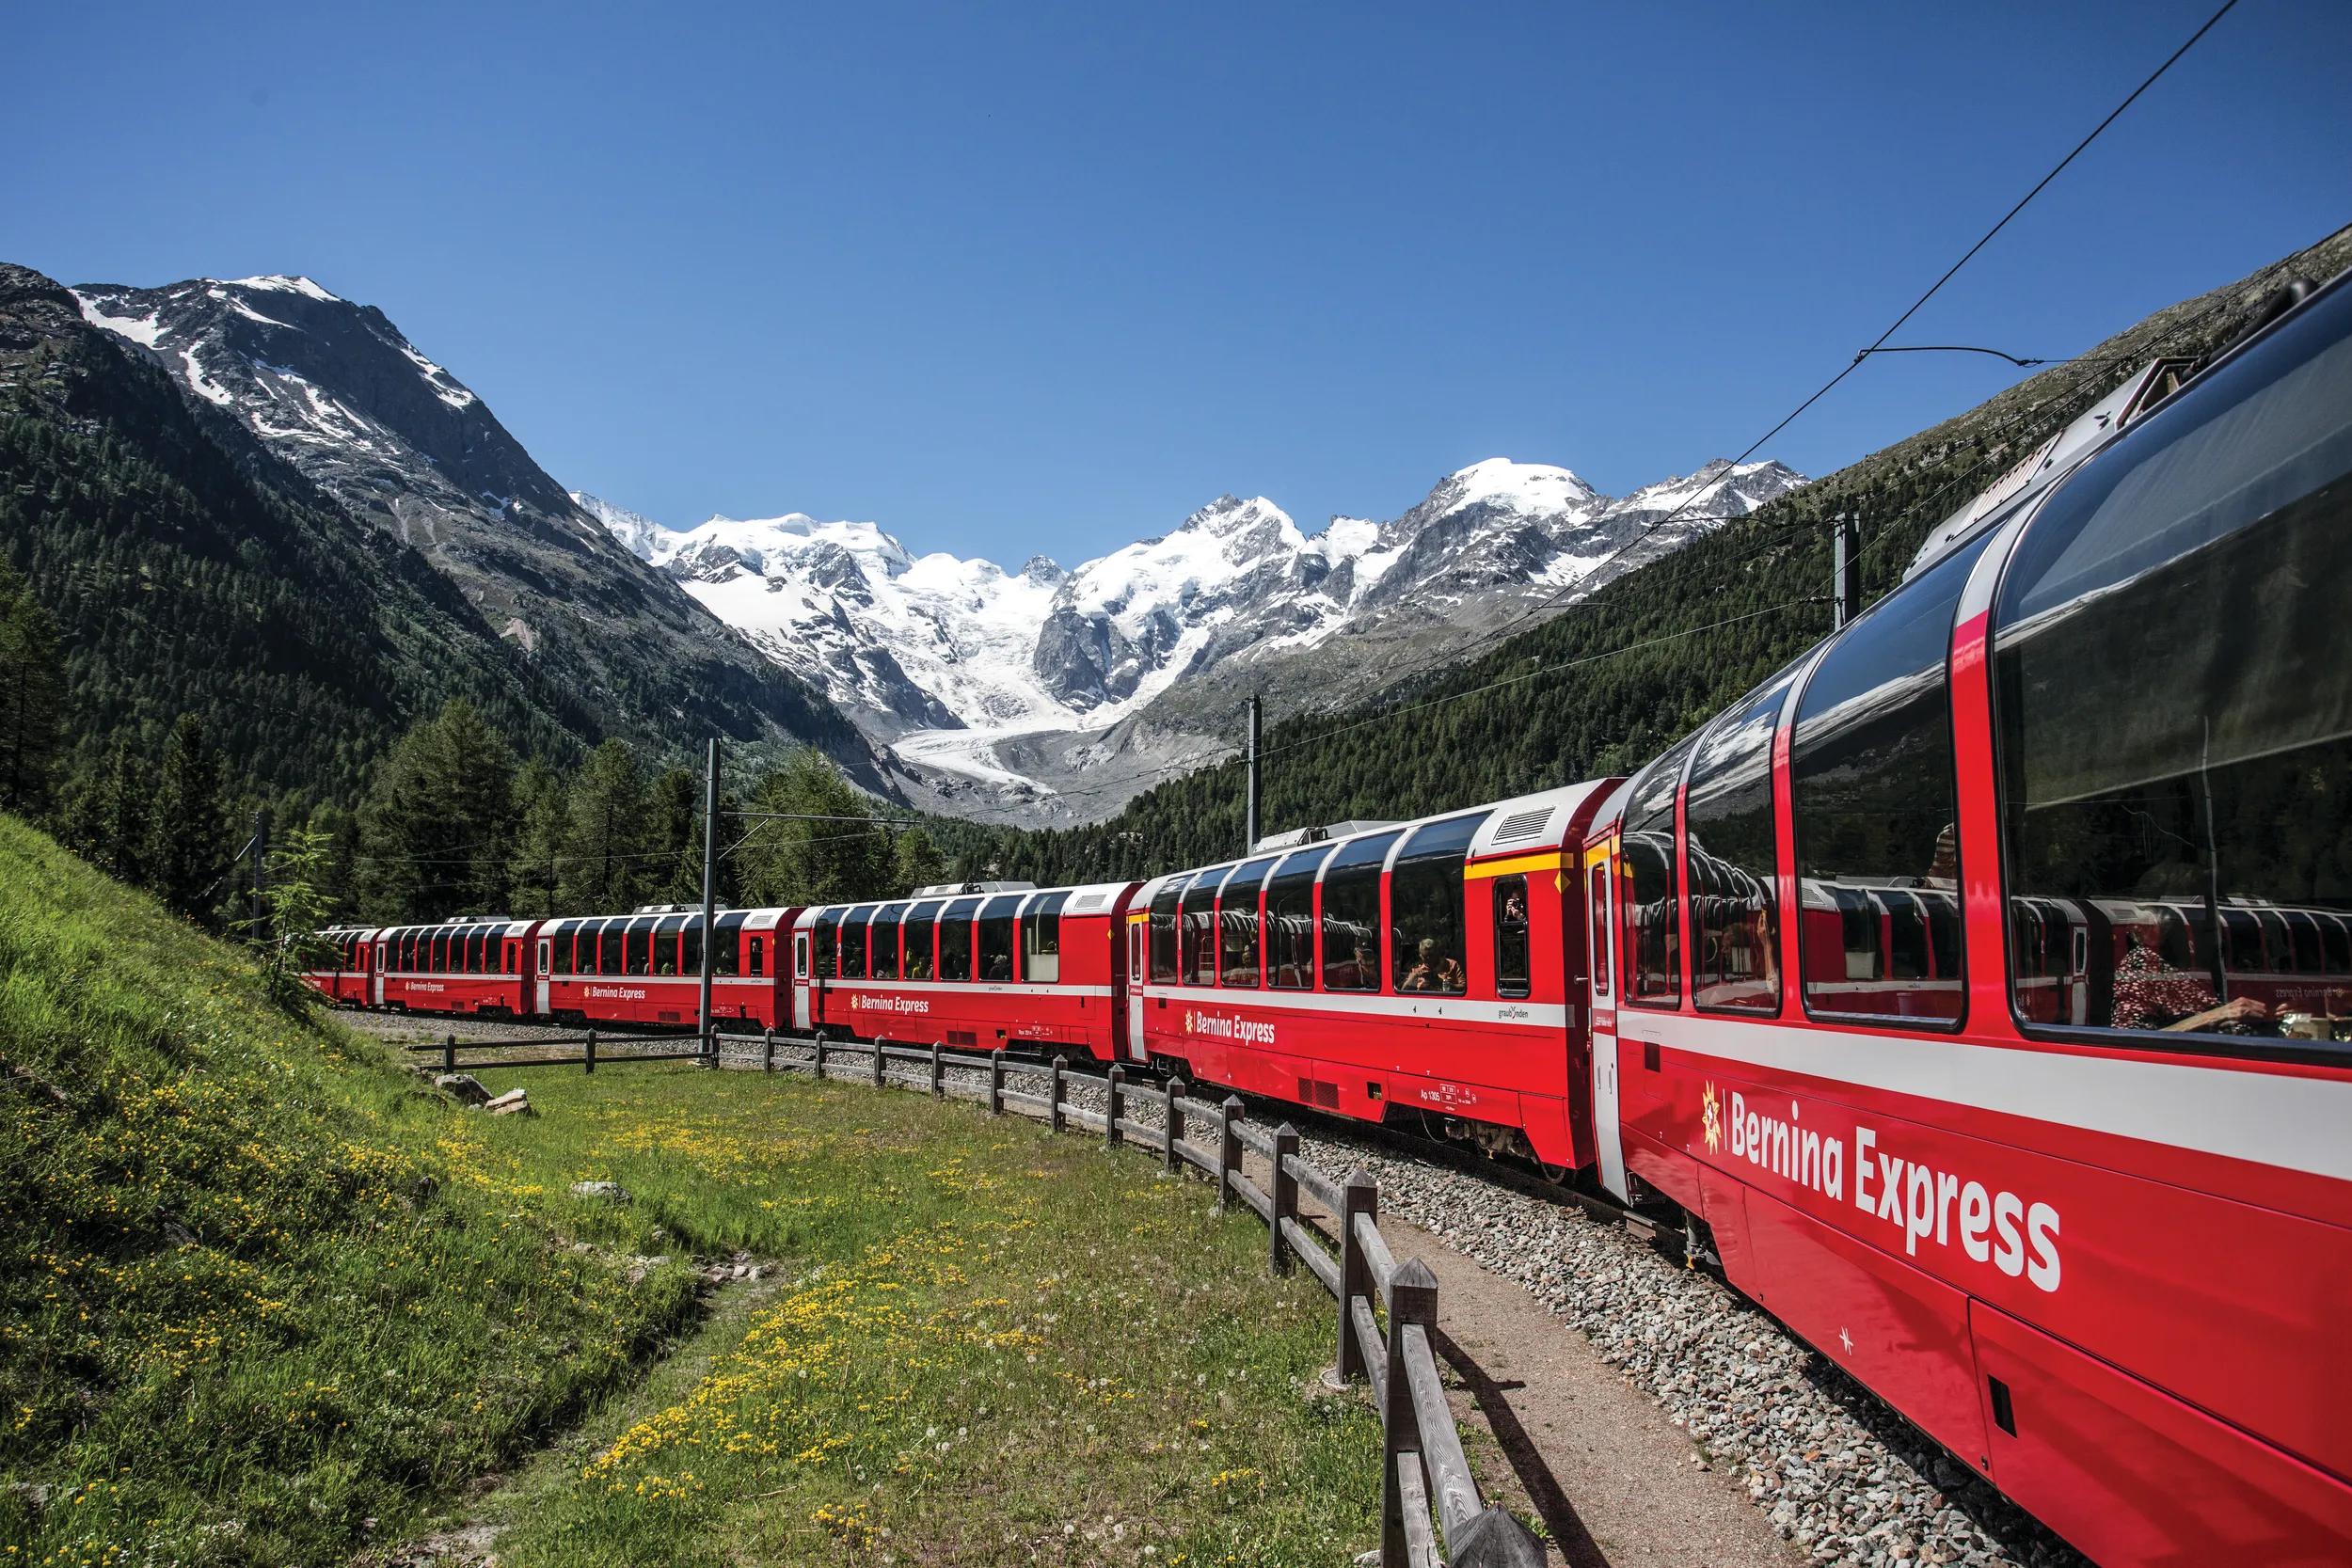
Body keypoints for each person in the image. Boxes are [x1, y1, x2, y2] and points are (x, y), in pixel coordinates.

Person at [2110, 939, 2272, 1034]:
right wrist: (2217, 1015)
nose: (2193, 943)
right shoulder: (2141, 968)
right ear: (2145, 933)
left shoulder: (2188, 975)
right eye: (2179, 931)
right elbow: (2132, 1039)